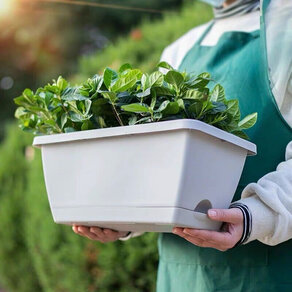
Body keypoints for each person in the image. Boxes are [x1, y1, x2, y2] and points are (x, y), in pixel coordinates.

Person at [73, 0, 292, 290]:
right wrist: (124, 220)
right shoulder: (179, 50)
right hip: (180, 275)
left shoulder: (285, 26)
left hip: (264, 274)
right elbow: (158, 165)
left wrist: (256, 216)